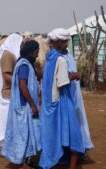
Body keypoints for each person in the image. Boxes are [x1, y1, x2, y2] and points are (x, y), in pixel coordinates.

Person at [39, 28, 86, 169]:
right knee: (74, 136)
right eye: (65, 41)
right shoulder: (61, 60)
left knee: (52, 136)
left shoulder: (49, 57)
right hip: (62, 102)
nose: (66, 44)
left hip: (49, 103)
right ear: (58, 42)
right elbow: (62, 82)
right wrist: (75, 76)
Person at [1, 40, 41, 169]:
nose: (37, 54)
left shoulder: (26, 64)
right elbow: (23, 86)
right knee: (25, 135)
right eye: (36, 52)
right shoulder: (24, 65)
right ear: (30, 52)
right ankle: (24, 164)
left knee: (29, 134)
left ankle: (27, 162)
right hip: (24, 107)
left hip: (26, 106)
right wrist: (33, 105)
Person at [0, 33, 23, 146]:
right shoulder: (8, 55)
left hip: (11, 92)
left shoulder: (11, 54)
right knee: (9, 122)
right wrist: (22, 82)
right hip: (8, 93)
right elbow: (6, 75)